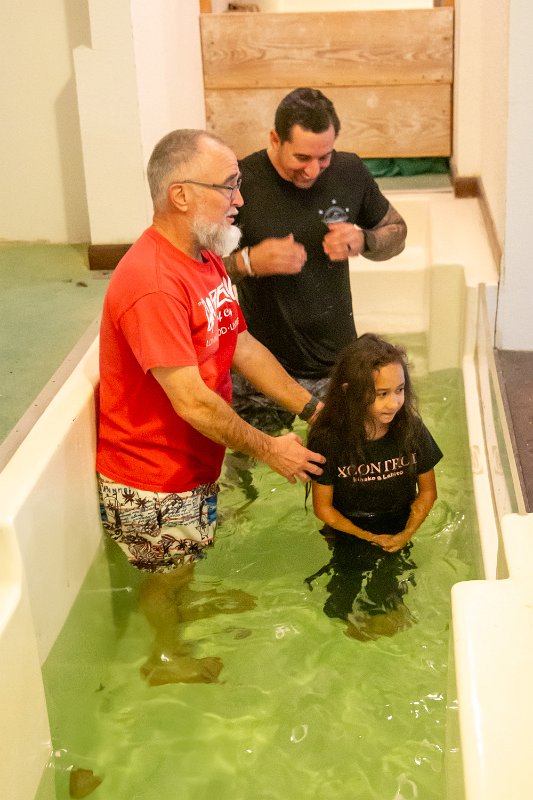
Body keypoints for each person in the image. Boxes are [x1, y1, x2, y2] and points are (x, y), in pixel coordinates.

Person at [96, 128, 325, 683]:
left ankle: (182, 609)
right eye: (228, 186)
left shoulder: (202, 258)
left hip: (192, 464)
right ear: (181, 195)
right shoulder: (153, 282)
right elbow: (193, 403)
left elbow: (240, 345)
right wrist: (271, 450)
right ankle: (164, 657)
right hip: (153, 476)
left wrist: (312, 409)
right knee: (166, 574)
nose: (239, 199)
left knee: (184, 564)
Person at [224, 87, 408, 432]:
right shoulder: (241, 184)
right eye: (302, 158)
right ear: (275, 139)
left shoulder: (349, 171)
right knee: (245, 457)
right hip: (261, 370)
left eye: (324, 157)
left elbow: (397, 232)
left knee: (354, 454)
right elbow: (199, 275)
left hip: (336, 367)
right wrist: (248, 262)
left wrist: (364, 240)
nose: (313, 171)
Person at [304, 333, 442, 641]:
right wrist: (366, 536)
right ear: (349, 392)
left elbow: (428, 492)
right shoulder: (329, 439)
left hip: (398, 524)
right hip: (348, 527)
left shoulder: (411, 429)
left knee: (389, 597)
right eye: (381, 394)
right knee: (341, 600)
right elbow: (323, 508)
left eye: (400, 390)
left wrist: (406, 534)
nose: (394, 402)